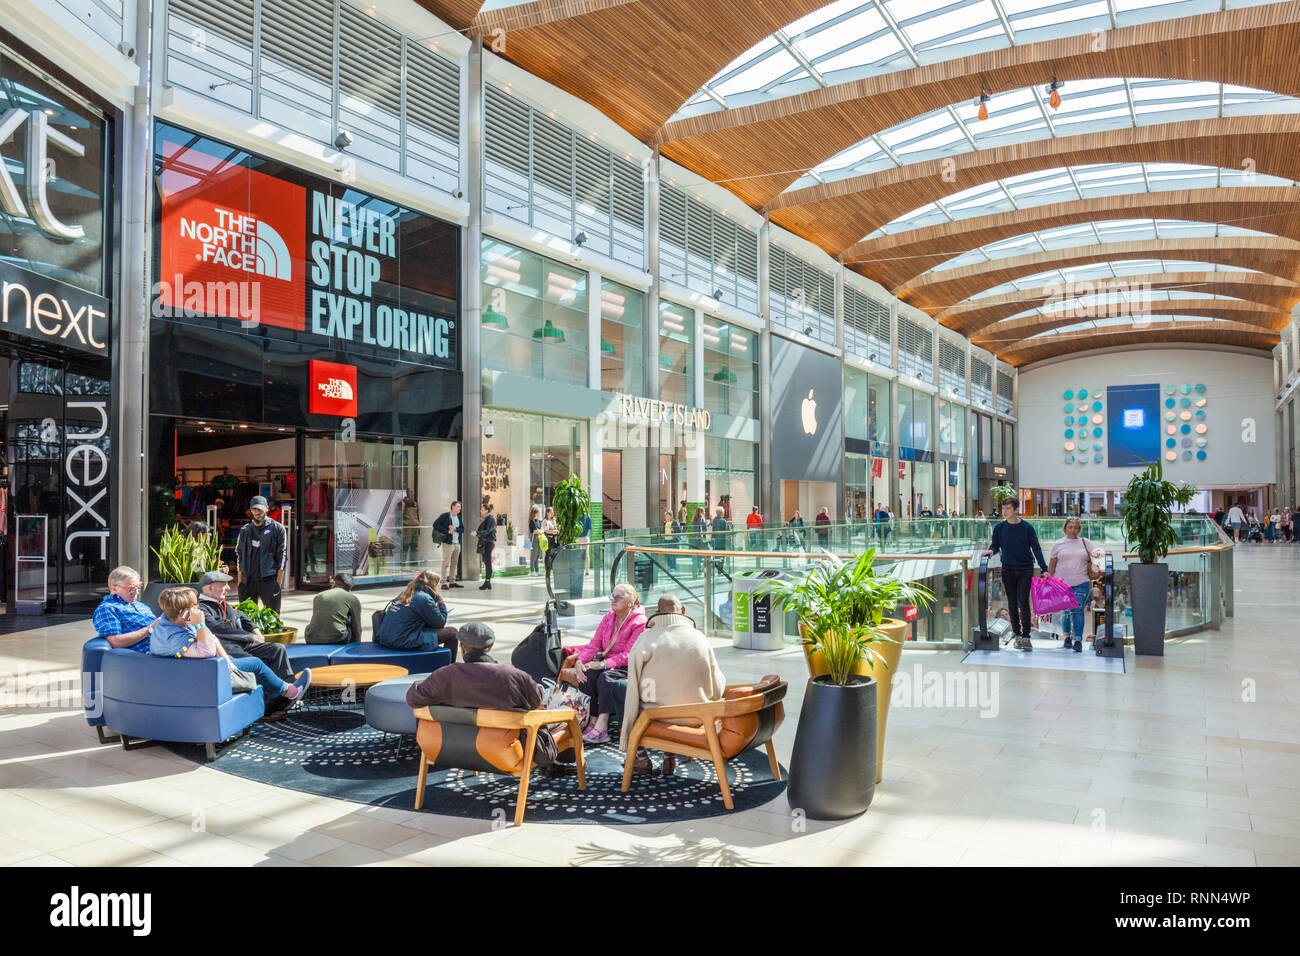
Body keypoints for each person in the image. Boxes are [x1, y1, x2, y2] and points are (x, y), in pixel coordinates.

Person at [405, 623, 569, 768]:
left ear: (461, 647)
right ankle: (556, 767)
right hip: (505, 753)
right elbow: (536, 701)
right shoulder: (512, 675)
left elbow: (413, 698)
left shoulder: (445, 676)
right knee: (568, 720)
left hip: (447, 749)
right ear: (490, 647)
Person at [621, 595, 727, 775]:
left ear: (657, 612)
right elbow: (718, 688)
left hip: (658, 718)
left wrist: (628, 737)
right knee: (672, 692)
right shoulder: (700, 638)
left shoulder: (645, 640)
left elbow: (633, 692)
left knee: (620, 688)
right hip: (699, 717)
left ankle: (640, 757)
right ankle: (669, 756)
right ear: (683, 611)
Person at [153, 586, 311, 702]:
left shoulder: (167, 622)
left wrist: (229, 662)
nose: (198, 608)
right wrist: (200, 625)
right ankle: (289, 693)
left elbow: (213, 639)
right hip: (206, 676)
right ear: (183, 612)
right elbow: (207, 650)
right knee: (256, 664)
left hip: (210, 667)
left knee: (269, 652)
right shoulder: (175, 638)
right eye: (195, 606)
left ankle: (281, 693)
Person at [562, 583, 647, 744]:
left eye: (618, 597)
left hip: (628, 665)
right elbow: (594, 644)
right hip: (607, 662)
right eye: (612, 596)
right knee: (587, 674)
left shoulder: (639, 622)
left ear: (631, 600)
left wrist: (603, 664)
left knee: (606, 678)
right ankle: (592, 721)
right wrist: (581, 661)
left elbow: (630, 654)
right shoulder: (609, 617)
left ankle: (602, 726)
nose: (613, 600)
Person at [195, 571, 296, 695]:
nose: (228, 588)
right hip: (228, 649)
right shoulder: (202, 608)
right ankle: (276, 698)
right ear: (211, 587)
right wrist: (250, 636)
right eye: (224, 585)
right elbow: (217, 628)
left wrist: (255, 630)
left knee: (277, 649)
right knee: (254, 661)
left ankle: (290, 689)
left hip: (242, 644)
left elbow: (240, 615)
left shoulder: (221, 603)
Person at [982, 497, 1047, 652]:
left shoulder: (1027, 528)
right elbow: (995, 545)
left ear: (1016, 510)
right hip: (1008, 569)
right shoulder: (999, 528)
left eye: (1008, 509)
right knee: (1012, 602)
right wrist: (991, 551)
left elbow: (1036, 549)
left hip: (1025, 568)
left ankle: (1026, 636)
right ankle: (1017, 634)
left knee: (1023, 601)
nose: (1004, 512)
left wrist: (1044, 568)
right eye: (1003, 509)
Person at [377, 570, 459, 660]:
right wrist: (441, 603)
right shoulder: (424, 598)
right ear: (433, 585)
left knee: (429, 631)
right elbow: (440, 623)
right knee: (452, 632)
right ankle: (450, 667)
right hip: (402, 640)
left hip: (386, 638)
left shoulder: (404, 594)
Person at [1048, 516, 1096, 652]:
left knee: (1078, 608)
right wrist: (1050, 581)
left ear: (1079, 529)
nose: (1073, 530)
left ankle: (1078, 639)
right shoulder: (1058, 544)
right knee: (1066, 611)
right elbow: (1052, 564)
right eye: (1070, 527)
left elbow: (1096, 552)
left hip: (1081, 581)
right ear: (1065, 528)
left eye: (1075, 528)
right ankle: (1067, 637)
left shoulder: (1085, 542)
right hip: (1062, 583)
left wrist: (1100, 553)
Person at [235, 495, 286, 612]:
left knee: (272, 617)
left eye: (259, 509)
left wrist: (278, 582)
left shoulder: (277, 528)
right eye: (254, 509)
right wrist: (240, 582)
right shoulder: (245, 530)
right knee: (246, 617)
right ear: (250, 510)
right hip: (247, 580)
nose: (257, 512)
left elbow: (282, 555)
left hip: (268, 578)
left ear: (267, 509)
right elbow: (240, 554)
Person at [93, 566, 157, 652]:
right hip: (149, 652)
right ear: (114, 588)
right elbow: (115, 642)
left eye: (138, 587)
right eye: (131, 589)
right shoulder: (108, 608)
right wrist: (150, 629)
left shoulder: (141, 605)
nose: (136, 592)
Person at [304, 572, 362, 645]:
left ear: (334, 583)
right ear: (349, 590)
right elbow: (357, 629)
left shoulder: (319, 595)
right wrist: (357, 646)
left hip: (311, 638)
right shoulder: (352, 598)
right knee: (349, 620)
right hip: (337, 639)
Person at [432, 500, 463, 587]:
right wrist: (447, 531)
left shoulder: (459, 517)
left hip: (457, 544)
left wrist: (455, 529)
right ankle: (443, 582)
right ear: (453, 507)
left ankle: (452, 581)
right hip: (448, 543)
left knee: (454, 563)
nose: (459, 508)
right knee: (446, 563)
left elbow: (462, 529)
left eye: (460, 507)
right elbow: (435, 525)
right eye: (458, 506)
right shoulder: (445, 516)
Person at [471, 502, 497, 590]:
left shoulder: (490, 518)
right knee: (486, 562)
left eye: (482, 510)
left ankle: (487, 582)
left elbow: (488, 530)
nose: (480, 511)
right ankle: (488, 582)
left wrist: (477, 533)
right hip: (486, 542)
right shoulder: (487, 518)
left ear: (486, 510)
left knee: (487, 562)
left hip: (488, 542)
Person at [527, 504, 544, 575]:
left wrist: (540, 531)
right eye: (539, 512)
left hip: (539, 539)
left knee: (538, 555)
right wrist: (540, 531)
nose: (540, 513)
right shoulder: (532, 521)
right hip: (534, 540)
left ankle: (537, 570)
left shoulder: (539, 521)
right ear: (535, 513)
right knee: (533, 555)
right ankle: (532, 571)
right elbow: (535, 531)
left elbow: (542, 530)